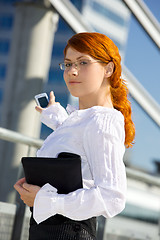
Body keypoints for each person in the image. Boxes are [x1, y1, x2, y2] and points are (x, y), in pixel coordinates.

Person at [14, 32, 135, 240]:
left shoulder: (102, 121)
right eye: (68, 64)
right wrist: (56, 116)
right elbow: (80, 140)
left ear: (108, 68)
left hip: (69, 232)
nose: (73, 71)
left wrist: (45, 200)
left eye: (83, 62)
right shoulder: (86, 120)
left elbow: (112, 197)